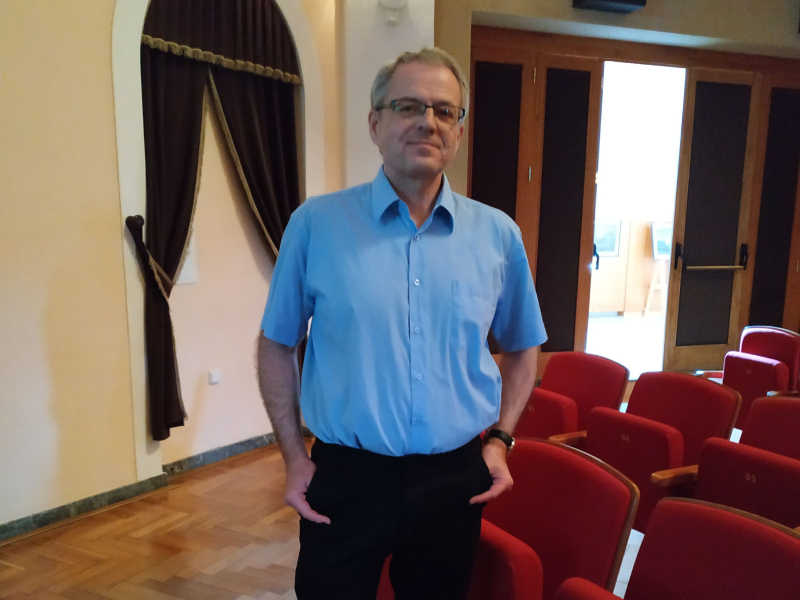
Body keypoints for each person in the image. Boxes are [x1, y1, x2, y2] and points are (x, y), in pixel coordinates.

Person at [257, 47, 546, 600]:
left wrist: (501, 439)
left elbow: (522, 346)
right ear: (375, 123)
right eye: (408, 106)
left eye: (444, 110)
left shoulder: (498, 236)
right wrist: (293, 457)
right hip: (347, 479)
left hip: (453, 481)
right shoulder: (315, 225)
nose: (427, 122)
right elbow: (276, 344)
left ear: (459, 130)